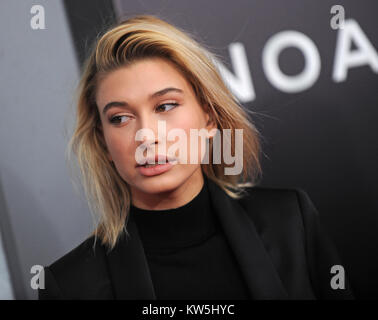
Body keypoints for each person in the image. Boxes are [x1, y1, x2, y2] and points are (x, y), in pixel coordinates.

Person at [38, 14, 354, 300]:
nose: (147, 135)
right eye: (120, 118)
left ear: (209, 117)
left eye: (165, 106)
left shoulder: (291, 223)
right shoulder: (69, 286)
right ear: (103, 142)